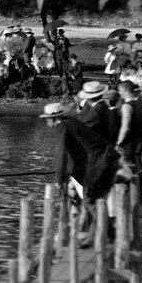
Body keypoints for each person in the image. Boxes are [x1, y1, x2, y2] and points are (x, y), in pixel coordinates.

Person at [40, 102, 117, 246]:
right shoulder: (72, 122)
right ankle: (104, 234)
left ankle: (103, 235)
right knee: (95, 200)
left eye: (47, 119)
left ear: (54, 119)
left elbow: (61, 153)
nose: (46, 122)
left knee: (90, 200)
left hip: (99, 164)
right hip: (106, 161)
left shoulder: (62, 127)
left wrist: (59, 178)